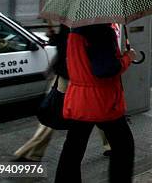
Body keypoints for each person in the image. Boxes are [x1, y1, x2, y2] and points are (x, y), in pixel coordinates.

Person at [14, 25, 111, 162]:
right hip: (66, 74)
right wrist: (54, 36)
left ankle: (33, 152)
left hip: (73, 75)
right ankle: (110, 143)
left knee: (56, 112)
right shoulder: (69, 21)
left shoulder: (82, 22)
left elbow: (74, 47)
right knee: (94, 110)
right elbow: (64, 45)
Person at [54, 24, 138, 183]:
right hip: (102, 101)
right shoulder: (101, 31)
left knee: (72, 151)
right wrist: (128, 58)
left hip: (79, 99)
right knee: (124, 147)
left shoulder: (74, 30)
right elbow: (105, 69)